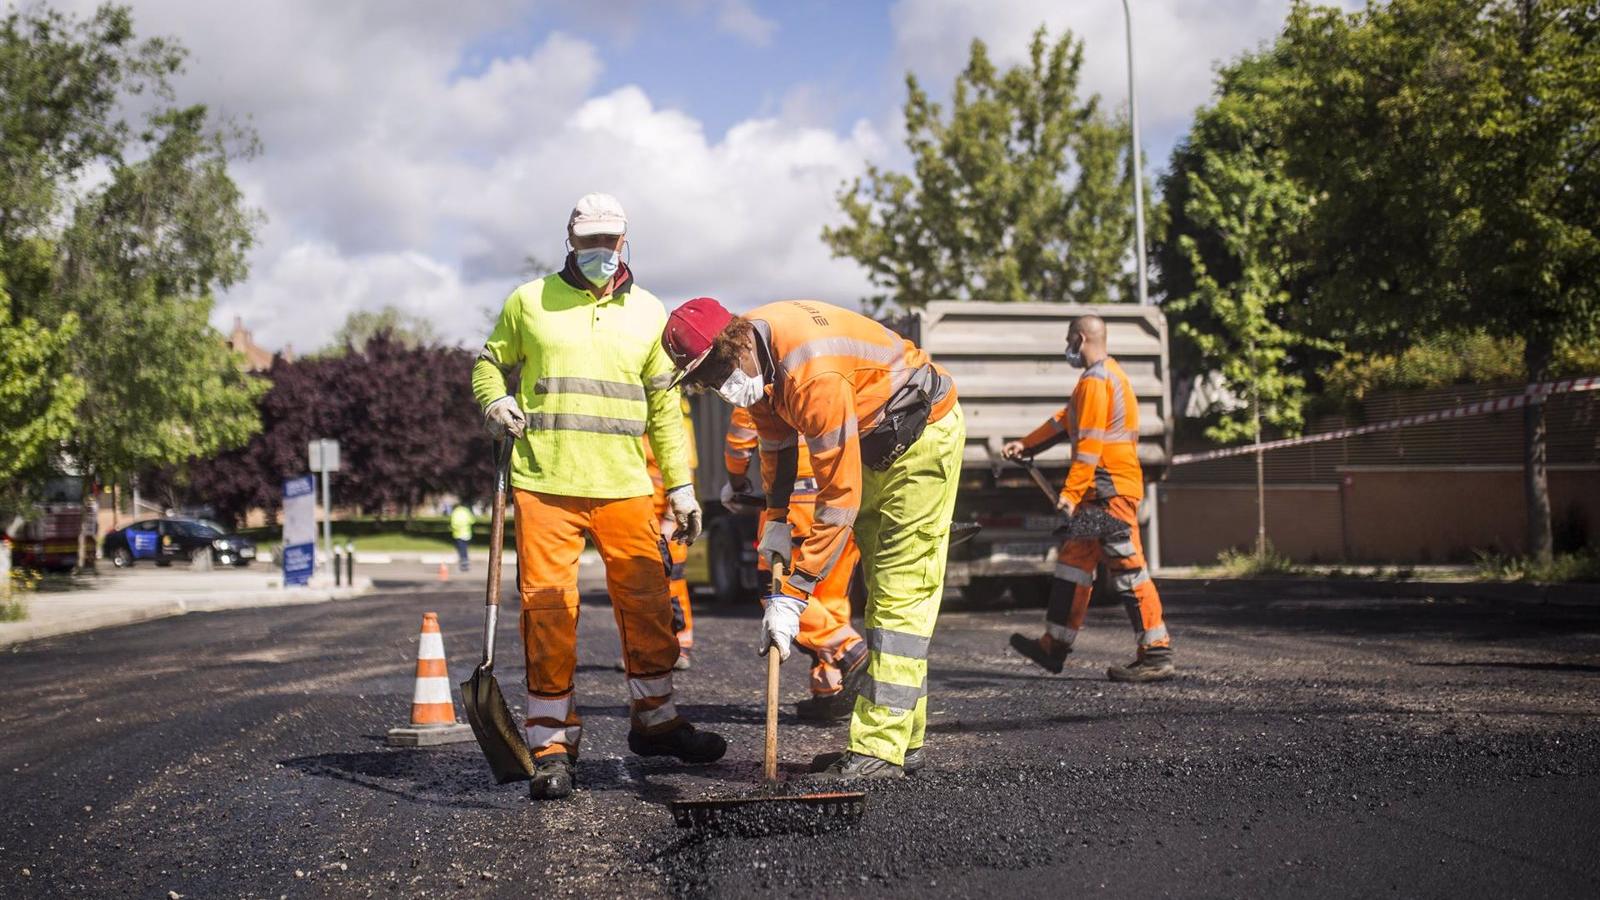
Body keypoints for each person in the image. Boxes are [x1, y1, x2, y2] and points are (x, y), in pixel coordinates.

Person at [472, 193, 726, 801]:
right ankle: (552, 743)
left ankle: (656, 722)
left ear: (625, 242)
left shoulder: (649, 314)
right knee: (550, 613)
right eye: (590, 243)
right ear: (571, 241)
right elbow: (488, 365)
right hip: (545, 485)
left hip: (626, 489)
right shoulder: (527, 302)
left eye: (610, 242)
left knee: (647, 608)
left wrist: (683, 486)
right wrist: (494, 401)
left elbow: (665, 409)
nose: (601, 253)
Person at [663, 297, 963, 781]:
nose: (721, 387)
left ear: (736, 342)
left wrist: (794, 595)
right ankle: (902, 740)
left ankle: (880, 748)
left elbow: (839, 499)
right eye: (708, 381)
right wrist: (777, 520)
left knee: (900, 592)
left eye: (719, 372)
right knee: (885, 593)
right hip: (881, 439)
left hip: (921, 437)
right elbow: (777, 450)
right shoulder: (760, 365)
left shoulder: (811, 375)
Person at [1003, 314, 1175, 683]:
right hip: (1102, 492)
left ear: (1081, 339)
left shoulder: (1097, 380)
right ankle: (1054, 647)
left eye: (1069, 341)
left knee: (1128, 568)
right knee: (1074, 562)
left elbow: (1090, 446)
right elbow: (1065, 421)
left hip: (1108, 491)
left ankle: (1156, 654)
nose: (1068, 349)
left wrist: (1069, 494)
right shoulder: (1100, 379)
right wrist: (1026, 444)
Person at [723, 405, 868, 720]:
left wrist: (736, 481)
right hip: (844, 499)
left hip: (795, 503)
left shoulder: (763, 375)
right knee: (829, 598)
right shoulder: (835, 367)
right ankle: (831, 691)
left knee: (776, 591)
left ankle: (850, 650)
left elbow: (740, 437)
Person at [448, 502, 475, 572]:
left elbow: (453, 523)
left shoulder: (455, 512)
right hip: (467, 534)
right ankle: (465, 563)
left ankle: (464, 563)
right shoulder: (466, 511)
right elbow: (472, 521)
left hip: (458, 534)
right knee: (465, 548)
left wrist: (455, 528)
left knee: (461, 549)